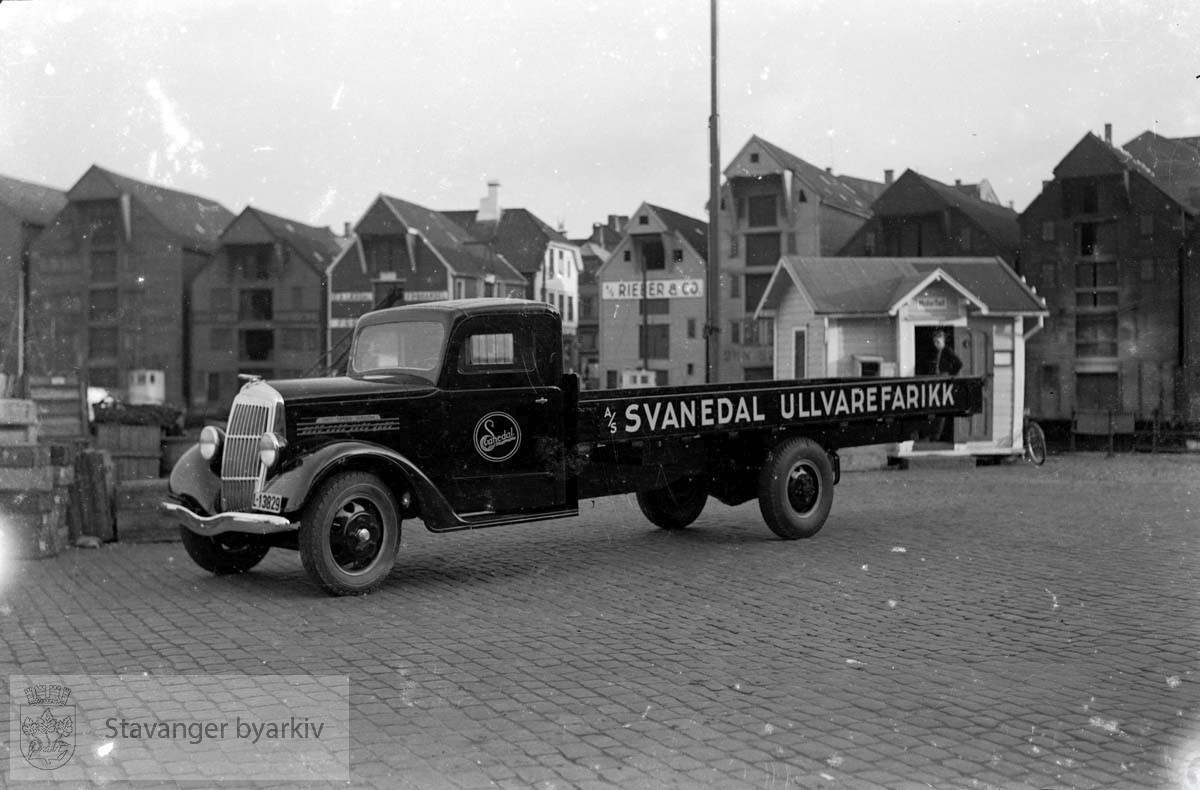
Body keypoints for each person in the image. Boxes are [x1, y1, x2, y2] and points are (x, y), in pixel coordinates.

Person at [924, 330, 962, 442]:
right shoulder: (938, 352)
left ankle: (936, 436)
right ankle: (932, 434)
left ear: (943, 340)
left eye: (938, 341)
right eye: (934, 341)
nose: (936, 343)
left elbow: (958, 364)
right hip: (937, 381)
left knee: (941, 409)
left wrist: (950, 376)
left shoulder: (947, 351)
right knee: (935, 407)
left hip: (943, 381)